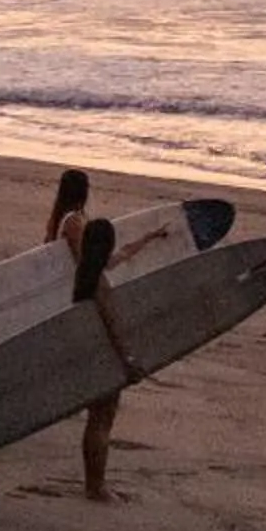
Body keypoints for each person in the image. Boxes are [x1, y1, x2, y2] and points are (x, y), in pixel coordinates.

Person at [73, 215, 148, 502]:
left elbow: (124, 255)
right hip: (104, 357)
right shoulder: (100, 284)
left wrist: (150, 237)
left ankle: (95, 483)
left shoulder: (85, 273)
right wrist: (128, 360)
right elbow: (113, 327)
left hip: (90, 354)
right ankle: (96, 487)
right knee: (102, 420)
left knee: (97, 419)